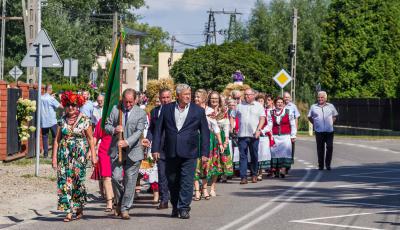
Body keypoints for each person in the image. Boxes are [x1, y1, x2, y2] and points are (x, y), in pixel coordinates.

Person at [151, 84, 210, 219]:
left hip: (190, 151)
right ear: (178, 96)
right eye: (185, 94)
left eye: (189, 93)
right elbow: (158, 130)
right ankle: (175, 205)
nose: (188, 96)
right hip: (170, 151)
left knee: (187, 181)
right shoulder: (166, 109)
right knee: (172, 181)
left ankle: (184, 208)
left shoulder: (198, 111)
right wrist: (155, 149)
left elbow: (205, 132)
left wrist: (205, 153)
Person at [51, 91, 96, 222]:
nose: (71, 107)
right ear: (65, 105)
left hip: (79, 156)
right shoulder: (61, 121)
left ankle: (79, 206)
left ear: (78, 105)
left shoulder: (85, 120)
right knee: (64, 183)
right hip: (64, 156)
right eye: (69, 105)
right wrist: (54, 158)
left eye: (74, 105)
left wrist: (93, 156)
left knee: (78, 182)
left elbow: (90, 139)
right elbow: (56, 140)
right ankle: (68, 211)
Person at [105, 88, 147, 220]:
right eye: (125, 101)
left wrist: (127, 142)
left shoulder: (141, 113)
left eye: (130, 102)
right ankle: (121, 200)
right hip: (116, 150)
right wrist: (114, 129)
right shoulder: (115, 109)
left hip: (133, 151)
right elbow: (106, 126)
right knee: (116, 178)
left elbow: (139, 131)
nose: (127, 105)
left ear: (135, 100)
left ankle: (125, 208)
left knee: (130, 180)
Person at [142, 88, 173, 210]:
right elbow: (152, 129)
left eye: (167, 97)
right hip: (160, 148)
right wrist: (148, 139)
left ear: (171, 98)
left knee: (173, 175)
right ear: (160, 99)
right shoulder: (155, 112)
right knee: (162, 174)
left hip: (174, 147)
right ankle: (164, 199)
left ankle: (174, 196)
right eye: (163, 98)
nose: (165, 100)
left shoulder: (177, 110)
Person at [192, 89, 223, 201]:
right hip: (194, 140)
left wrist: (220, 142)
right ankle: (196, 191)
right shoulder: (191, 109)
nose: (196, 99)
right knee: (195, 165)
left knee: (205, 165)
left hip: (206, 140)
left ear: (204, 98)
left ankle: (204, 189)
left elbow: (215, 128)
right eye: (195, 96)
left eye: (198, 97)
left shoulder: (209, 111)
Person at [232, 88, 265, 184]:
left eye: (249, 94)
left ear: (253, 95)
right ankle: (243, 177)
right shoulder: (239, 106)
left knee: (254, 155)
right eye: (245, 94)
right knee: (243, 156)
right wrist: (233, 126)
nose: (247, 96)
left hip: (254, 134)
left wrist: (259, 130)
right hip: (242, 134)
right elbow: (232, 115)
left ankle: (254, 174)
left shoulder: (259, 106)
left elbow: (262, 118)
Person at [208, 91, 233, 192]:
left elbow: (226, 126)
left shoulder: (223, 111)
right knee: (208, 162)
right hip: (209, 137)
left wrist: (226, 139)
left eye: (216, 98)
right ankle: (204, 186)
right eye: (212, 98)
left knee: (217, 163)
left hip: (220, 139)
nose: (214, 100)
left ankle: (213, 186)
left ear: (219, 100)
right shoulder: (206, 110)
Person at [308, 91, 338, 170]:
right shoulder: (313, 107)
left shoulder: (331, 106)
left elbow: (335, 115)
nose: (320, 99)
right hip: (319, 131)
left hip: (329, 131)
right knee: (320, 148)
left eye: (322, 97)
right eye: (319, 97)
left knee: (330, 147)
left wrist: (331, 123)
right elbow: (309, 117)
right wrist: (315, 124)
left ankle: (328, 164)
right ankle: (321, 165)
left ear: (325, 98)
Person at [268, 97, 297, 178]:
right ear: (274, 103)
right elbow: (270, 125)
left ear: (284, 104)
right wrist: (264, 131)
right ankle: (276, 170)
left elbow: (292, 124)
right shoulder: (271, 112)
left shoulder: (288, 112)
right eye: (278, 102)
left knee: (285, 153)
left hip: (286, 137)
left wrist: (293, 135)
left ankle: (283, 169)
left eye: (281, 102)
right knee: (275, 153)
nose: (280, 104)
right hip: (275, 136)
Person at [93, 118, 114, 212]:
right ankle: (109, 202)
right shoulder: (103, 120)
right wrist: (91, 151)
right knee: (106, 177)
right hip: (104, 152)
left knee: (118, 178)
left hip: (120, 150)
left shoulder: (122, 118)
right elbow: (95, 137)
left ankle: (118, 199)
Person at [41, 84, 63, 158]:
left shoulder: (41, 97)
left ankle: (45, 154)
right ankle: (54, 153)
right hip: (52, 121)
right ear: (49, 90)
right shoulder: (51, 98)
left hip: (43, 120)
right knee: (56, 137)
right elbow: (60, 106)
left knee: (45, 137)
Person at [283, 92, 300, 173]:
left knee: (290, 148)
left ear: (290, 98)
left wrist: (295, 131)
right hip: (283, 131)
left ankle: (288, 165)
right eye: (285, 97)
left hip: (291, 130)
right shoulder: (280, 105)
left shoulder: (293, 106)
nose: (286, 99)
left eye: (288, 97)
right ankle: (282, 165)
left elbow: (296, 118)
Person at [256, 93, 271, 181]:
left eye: (261, 101)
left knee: (262, 155)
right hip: (254, 135)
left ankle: (260, 173)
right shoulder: (254, 111)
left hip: (263, 136)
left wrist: (262, 131)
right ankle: (255, 171)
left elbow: (270, 124)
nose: (260, 103)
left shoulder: (267, 112)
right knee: (255, 154)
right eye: (258, 101)